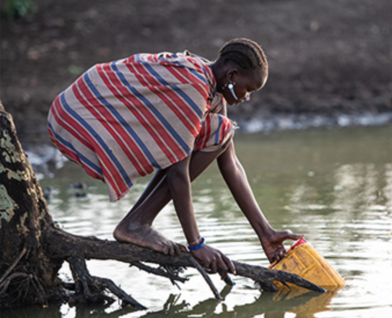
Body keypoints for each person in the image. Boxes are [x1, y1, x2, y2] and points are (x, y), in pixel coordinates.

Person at [47, 38, 302, 277]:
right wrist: (196, 244)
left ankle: (135, 223)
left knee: (217, 132)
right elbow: (178, 174)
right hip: (78, 115)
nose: (247, 97)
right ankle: (136, 224)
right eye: (249, 89)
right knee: (197, 141)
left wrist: (265, 233)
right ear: (232, 76)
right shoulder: (193, 90)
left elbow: (231, 164)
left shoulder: (211, 88)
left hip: (87, 108)